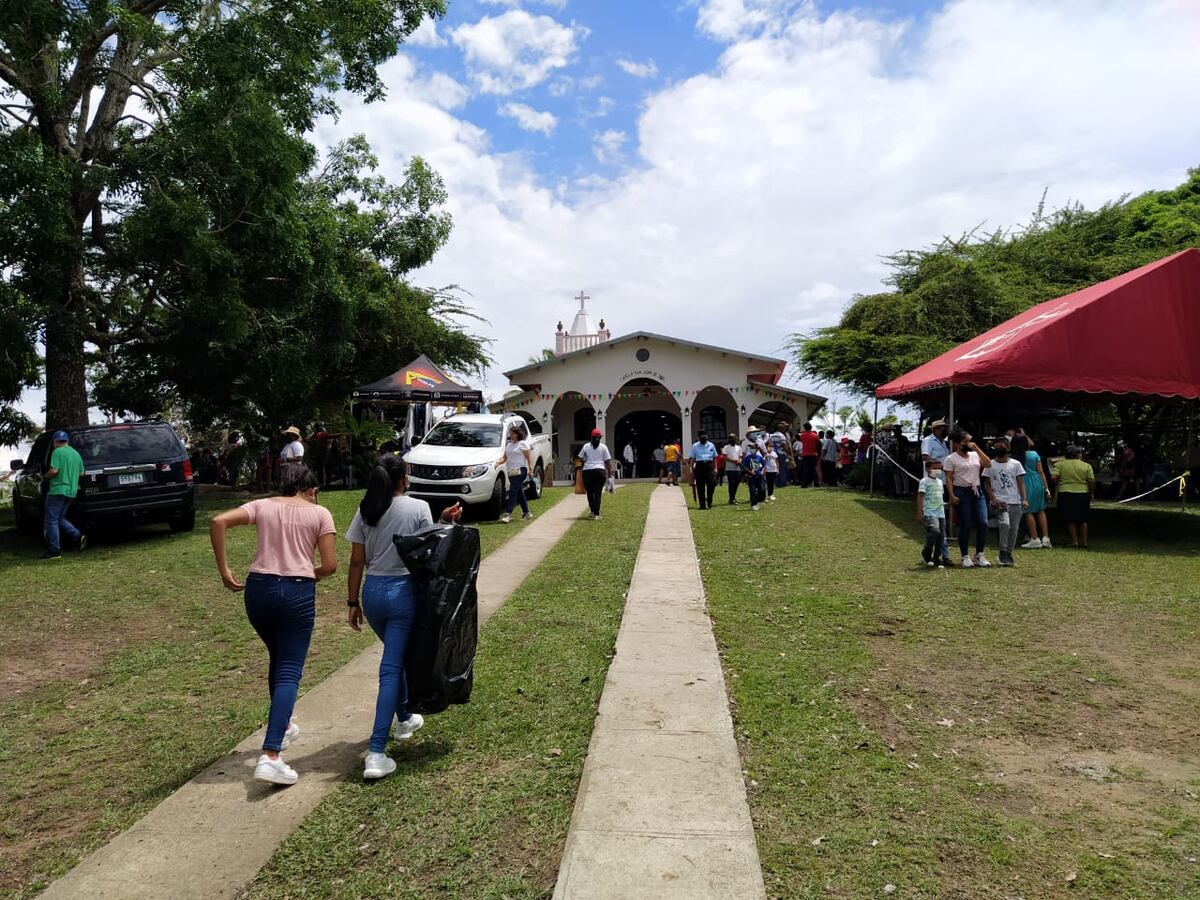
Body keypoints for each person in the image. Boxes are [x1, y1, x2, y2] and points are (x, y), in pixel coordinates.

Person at [209, 464, 337, 786]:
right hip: (296, 590)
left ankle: (285, 724)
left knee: (279, 659)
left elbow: (218, 521)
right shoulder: (319, 513)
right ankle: (271, 755)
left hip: (258, 590)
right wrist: (312, 573)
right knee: (290, 669)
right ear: (310, 489)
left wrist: (224, 569)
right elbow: (330, 565)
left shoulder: (262, 506)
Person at [345, 457, 461, 780]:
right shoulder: (417, 507)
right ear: (403, 479)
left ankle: (406, 716)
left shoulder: (366, 509)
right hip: (402, 595)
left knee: (397, 657)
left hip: (372, 594)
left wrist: (353, 601)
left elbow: (356, 562)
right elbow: (426, 546)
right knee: (392, 668)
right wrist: (443, 520)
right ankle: (377, 751)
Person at [943, 428, 993, 568]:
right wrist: (952, 495)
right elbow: (949, 478)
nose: (968, 444)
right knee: (966, 523)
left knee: (983, 522)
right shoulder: (951, 459)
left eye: (969, 441)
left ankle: (979, 554)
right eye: (965, 442)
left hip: (977, 490)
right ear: (958, 444)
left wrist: (976, 448)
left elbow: (988, 463)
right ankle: (964, 555)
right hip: (961, 490)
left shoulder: (974, 455)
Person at [982, 438, 1028, 567]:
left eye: (1001, 447)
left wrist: (1024, 498)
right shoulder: (990, 464)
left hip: (1015, 501)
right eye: (996, 447)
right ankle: (1002, 551)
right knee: (1004, 524)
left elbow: (1020, 482)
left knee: (1014, 529)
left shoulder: (1016, 464)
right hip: (1000, 502)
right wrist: (993, 498)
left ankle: (1009, 552)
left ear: (1008, 448)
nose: (998, 449)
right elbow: (986, 483)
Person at [42, 430, 86, 560]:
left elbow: (54, 470)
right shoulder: (75, 453)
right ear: (67, 441)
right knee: (59, 518)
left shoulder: (57, 452)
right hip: (71, 491)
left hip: (57, 490)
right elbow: (82, 473)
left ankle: (54, 551)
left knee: (51, 520)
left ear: (55, 441)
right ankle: (78, 536)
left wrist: (46, 476)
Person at [1011, 434, 1052, 549]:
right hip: (1037, 483)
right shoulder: (1034, 454)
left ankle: (1034, 538)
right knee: (1040, 510)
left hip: (1024, 483)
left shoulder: (1014, 457)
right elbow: (1041, 472)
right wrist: (1046, 487)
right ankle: (1046, 538)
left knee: (1027, 511)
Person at [1053, 446, 1095, 548]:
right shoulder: (1086, 466)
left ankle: (1074, 541)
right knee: (1083, 519)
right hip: (1082, 492)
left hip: (1065, 492)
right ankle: (1084, 542)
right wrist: (1092, 492)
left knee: (1070, 518)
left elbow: (1054, 478)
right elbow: (1092, 481)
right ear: (1078, 454)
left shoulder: (1060, 464)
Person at [498, 423, 534, 524]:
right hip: (511, 472)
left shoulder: (523, 444)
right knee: (518, 492)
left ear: (518, 434)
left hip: (520, 470)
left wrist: (531, 469)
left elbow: (528, 457)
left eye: (512, 433)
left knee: (513, 491)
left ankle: (508, 513)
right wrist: (497, 463)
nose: (511, 435)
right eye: (510, 433)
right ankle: (527, 512)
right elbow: (505, 458)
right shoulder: (509, 445)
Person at [916, 459, 947, 568]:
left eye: (939, 468)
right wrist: (920, 512)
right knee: (935, 530)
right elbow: (920, 496)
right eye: (934, 468)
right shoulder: (924, 481)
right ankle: (927, 552)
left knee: (941, 536)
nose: (937, 470)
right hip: (929, 511)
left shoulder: (939, 482)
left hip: (940, 512)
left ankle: (936, 558)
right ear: (928, 469)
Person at [577, 428, 612, 519]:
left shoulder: (586, 446)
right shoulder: (604, 447)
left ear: (591, 437)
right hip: (599, 471)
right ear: (600, 438)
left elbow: (580, 458)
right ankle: (596, 514)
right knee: (597, 492)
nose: (597, 439)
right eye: (598, 437)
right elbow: (607, 462)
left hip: (587, 471)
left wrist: (579, 469)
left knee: (590, 492)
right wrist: (610, 473)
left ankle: (592, 511)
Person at [689, 430, 719, 509]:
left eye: (705, 437)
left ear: (707, 437)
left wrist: (715, 468)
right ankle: (702, 505)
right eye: (702, 437)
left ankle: (709, 500)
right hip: (699, 466)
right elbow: (692, 458)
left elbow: (715, 457)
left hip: (709, 466)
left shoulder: (711, 445)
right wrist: (691, 470)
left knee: (712, 484)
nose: (704, 439)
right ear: (698, 437)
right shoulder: (695, 446)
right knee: (700, 486)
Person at [741, 441, 766, 510]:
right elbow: (744, 467)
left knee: (762, 489)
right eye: (751, 448)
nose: (752, 449)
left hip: (759, 476)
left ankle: (758, 500)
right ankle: (754, 504)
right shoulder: (747, 458)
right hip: (751, 477)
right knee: (752, 491)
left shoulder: (759, 457)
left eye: (753, 448)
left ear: (757, 449)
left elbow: (764, 466)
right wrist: (750, 472)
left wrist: (762, 472)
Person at [797, 422, 821, 487]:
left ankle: (805, 483)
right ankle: (816, 482)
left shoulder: (802, 435)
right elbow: (818, 444)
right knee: (813, 469)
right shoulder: (816, 435)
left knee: (805, 469)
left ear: (805, 428)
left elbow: (801, 440)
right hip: (814, 454)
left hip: (805, 454)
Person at [723, 435, 743, 504]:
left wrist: (740, 461)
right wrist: (734, 461)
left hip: (737, 468)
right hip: (730, 469)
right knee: (731, 484)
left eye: (734, 438)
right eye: (731, 439)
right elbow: (725, 457)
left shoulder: (738, 447)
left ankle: (733, 497)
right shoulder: (726, 447)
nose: (733, 440)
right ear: (729, 439)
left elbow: (740, 456)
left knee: (736, 484)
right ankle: (731, 498)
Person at [769, 423, 791, 487]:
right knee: (782, 469)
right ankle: (782, 483)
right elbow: (783, 445)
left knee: (775, 468)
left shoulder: (771, 435)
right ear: (781, 429)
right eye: (784, 428)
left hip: (773, 453)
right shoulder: (782, 436)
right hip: (781, 453)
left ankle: (776, 483)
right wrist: (787, 452)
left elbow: (770, 444)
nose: (785, 429)